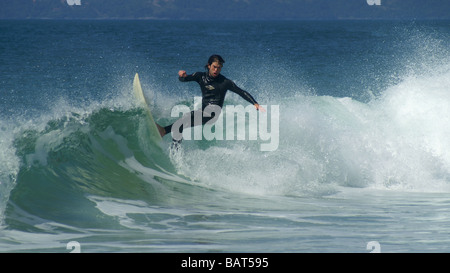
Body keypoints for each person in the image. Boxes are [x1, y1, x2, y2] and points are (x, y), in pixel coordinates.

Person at [156, 54, 265, 142]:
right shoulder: (200, 76)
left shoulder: (225, 82)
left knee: (185, 119)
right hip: (203, 112)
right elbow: (185, 79)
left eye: (219, 68)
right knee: (181, 124)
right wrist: (181, 76)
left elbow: (241, 92)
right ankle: (175, 151)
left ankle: (164, 131)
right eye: (214, 67)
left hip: (212, 115)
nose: (216, 70)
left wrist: (255, 103)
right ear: (209, 65)